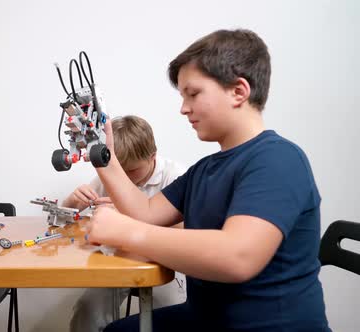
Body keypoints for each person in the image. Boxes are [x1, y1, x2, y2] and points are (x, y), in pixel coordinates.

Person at [86, 29, 331, 331]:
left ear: (239, 91)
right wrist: (105, 158)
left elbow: (237, 256)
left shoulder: (278, 159)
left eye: (193, 93)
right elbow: (145, 212)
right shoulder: (204, 169)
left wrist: (127, 232)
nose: (183, 108)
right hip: (208, 318)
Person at [63, 115, 186, 332]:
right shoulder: (112, 175)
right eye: (121, 171)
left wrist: (125, 217)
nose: (126, 179)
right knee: (86, 310)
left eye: (132, 171)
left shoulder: (175, 176)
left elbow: (185, 232)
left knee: (170, 315)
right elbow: (64, 217)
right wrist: (72, 202)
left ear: (152, 156)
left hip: (165, 263)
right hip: (118, 259)